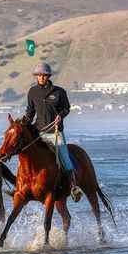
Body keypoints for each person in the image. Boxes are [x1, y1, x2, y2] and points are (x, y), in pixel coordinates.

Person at [24, 63, 83, 201]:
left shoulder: (59, 92)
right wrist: (23, 123)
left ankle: (74, 187)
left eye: (44, 75)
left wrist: (60, 116)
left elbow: (66, 108)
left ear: (48, 76)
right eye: (39, 75)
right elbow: (30, 112)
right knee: (25, 152)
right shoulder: (32, 92)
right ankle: (20, 184)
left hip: (55, 132)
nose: (41, 78)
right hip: (38, 131)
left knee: (65, 157)